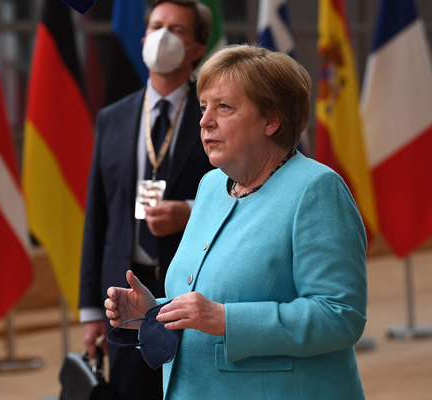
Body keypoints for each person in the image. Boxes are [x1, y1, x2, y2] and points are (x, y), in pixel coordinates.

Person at [105, 44, 368, 399]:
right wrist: (155, 310)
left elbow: (340, 315)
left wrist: (226, 320)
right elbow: (211, 299)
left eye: (223, 107)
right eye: (203, 107)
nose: (204, 120)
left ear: (271, 120)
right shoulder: (212, 185)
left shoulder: (316, 190)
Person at [78, 1, 213, 398]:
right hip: (123, 292)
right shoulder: (112, 117)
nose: (162, 36)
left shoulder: (213, 115)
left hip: (191, 290)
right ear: (142, 39)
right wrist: (90, 312)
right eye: (156, 26)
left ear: (197, 49)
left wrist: (190, 212)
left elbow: (240, 192)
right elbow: (97, 217)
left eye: (176, 29)